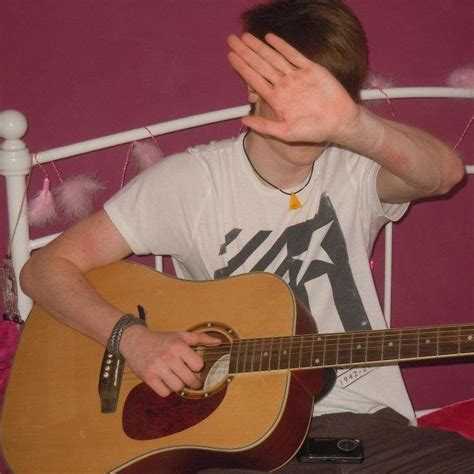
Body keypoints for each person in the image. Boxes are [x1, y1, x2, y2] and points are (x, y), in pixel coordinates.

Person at [20, 0, 472, 471]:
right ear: (253, 85)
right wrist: (131, 339)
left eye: (326, 97)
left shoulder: (356, 169)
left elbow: (444, 175)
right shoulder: (192, 184)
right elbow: (43, 270)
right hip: (236, 443)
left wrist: (353, 126)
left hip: (370, 433)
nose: (307, 117)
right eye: (292, 91)